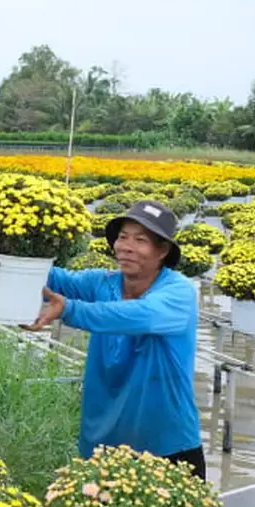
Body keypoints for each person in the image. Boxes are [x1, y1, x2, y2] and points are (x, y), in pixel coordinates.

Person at [24, 200, 204, 479]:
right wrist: (2, 255)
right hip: (103, 446)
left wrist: (69, 309)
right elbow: (53, 278)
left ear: (163, 250)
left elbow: (139, 315)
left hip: (167, 446)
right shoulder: (103, 283)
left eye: (140, 240)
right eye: (122, 237)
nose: (126, 247)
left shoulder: (178, 291)